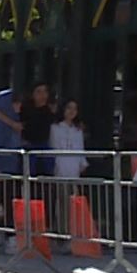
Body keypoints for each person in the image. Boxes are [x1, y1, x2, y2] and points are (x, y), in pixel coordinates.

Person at [0, 88, 23, 250]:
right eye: (15, 102)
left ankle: (7, 237)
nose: (18, 106)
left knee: (8, 206)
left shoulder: (11, 125)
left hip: (9, 171)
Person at [51, 99, 89, 251]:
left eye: (75, 108)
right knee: (61, 204)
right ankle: (61, 235)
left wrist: (82, 164)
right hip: (60, 168)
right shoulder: (55, 128)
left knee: (71, 204)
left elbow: (80, 149)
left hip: (74, 170)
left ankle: (70, 236)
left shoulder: (77, 130)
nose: (72, 111)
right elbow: (53, 147)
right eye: (68, 108)